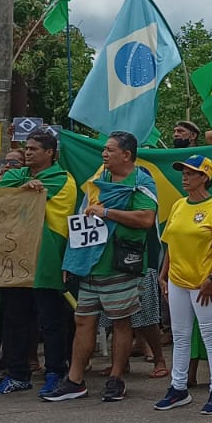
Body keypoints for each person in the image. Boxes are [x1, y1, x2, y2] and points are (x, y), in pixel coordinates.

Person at [43, 132, 159, 404]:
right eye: (104, 150)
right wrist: (71, 261)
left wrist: (107, 213)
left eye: (109, 150)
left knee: (121, 322)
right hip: (91, 265)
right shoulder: (97, 181)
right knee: (83, 320)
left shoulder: (141, 181)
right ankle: (75, 380)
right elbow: (81, 221)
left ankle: (116, 378)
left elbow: (145, 218)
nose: (104, 154)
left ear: (126, 155)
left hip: (120, 264)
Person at [0, 131, 78, 396]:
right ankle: (17, 374)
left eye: (34, 149)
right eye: (26, 148)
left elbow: (38, 206)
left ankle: (55, 372)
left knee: (51, 320)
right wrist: (24, 188)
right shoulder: (17, 176)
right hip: (15, 258)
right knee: (14, 318)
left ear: (50, 153)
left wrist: (25, 194)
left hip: (45, 258)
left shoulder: (63, 179)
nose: (27, 152)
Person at [153, 155, 212, 415]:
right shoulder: (179, 205)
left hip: (204, 282)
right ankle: (178, 388)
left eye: (191, 173)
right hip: (177, 279)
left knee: (210, 334)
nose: (185, 177)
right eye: (184, 173)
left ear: (204, 177)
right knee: (180, 335)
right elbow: (170, 243)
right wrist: (163, 274)